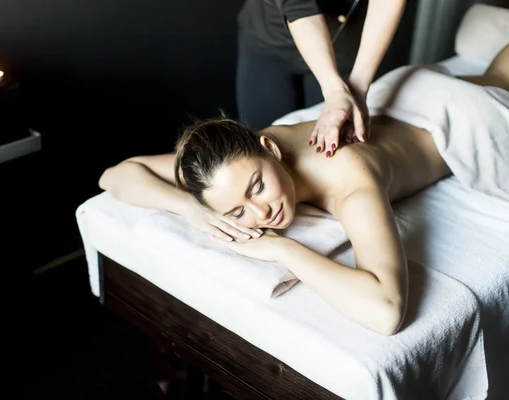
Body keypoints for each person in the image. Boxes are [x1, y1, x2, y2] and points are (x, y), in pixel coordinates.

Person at [98, 44, 509, 335]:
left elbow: (387, 311)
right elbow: (116, 175)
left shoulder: (348, 178)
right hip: (402, 94)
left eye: (257, 187)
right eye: (237, 212)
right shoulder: (230, 161)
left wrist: (284, 249)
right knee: (496, 73)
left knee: (498, 81)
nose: (261, 215)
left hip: (466, 119)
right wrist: (190, 209)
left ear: (270, 147)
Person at [236, 0, 408, 153]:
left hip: (344, 46)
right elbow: (298, 5)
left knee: (337, 141)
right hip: (271, 44)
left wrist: (358, 87)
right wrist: (335, 90)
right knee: (262, 143)